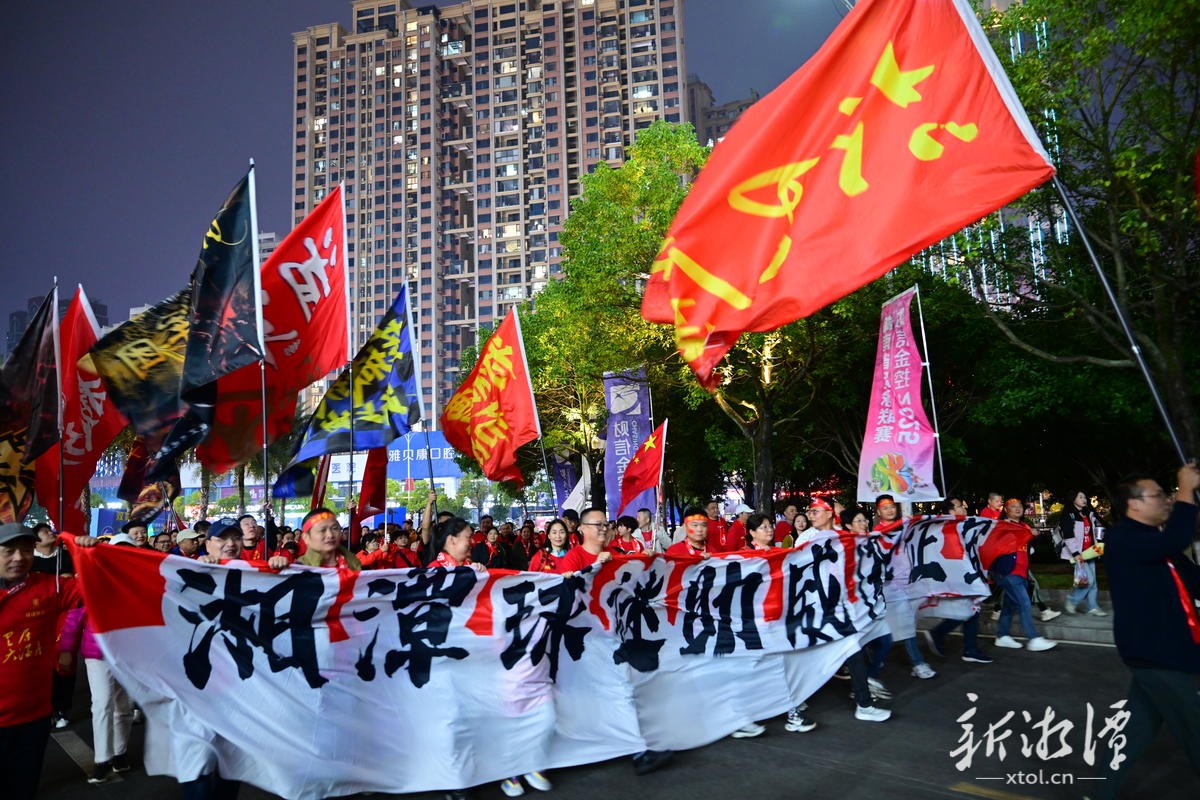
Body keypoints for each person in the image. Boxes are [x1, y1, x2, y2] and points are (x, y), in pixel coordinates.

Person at [1094, 463, 1200, 797]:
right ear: (1134, 504)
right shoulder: (1123, 539)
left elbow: (1195, 581)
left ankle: (1099, 793)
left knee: (1136, 729)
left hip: (1169, 649)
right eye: (1159, 495)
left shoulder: (1158, 543)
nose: (1167, 500)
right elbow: (1178, 536)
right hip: (1158, 652)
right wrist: (1186, 491)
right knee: (1195, 726)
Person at [0, 523, 87, 800]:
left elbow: (98, 587)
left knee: (24, 788)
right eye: (9, 551)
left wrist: (88, 555)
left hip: (34, 717)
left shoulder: (51, 586)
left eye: (26, 550)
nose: (19, 557)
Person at [803, 499, 891, 722]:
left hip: (842, 608)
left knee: (855, 649)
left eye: (816, 511)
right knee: (811, 655)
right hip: (818, 608)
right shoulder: (806, 539)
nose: (811, 515)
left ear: (829, 514)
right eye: (810, 512)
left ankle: (863, 701)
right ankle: (792, 702)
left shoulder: (844, 537)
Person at [60, 535, 139, 783]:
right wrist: (66, 650)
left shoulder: (139, 583)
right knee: (102, 704)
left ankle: (119, 753)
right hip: (97, 653)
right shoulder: (89, 581)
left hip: (128, 655)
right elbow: (74, 618)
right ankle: (102, 759)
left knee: (123, 706)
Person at [987, 499, 1057, 651]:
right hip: (1008, 572)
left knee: (1009, 605)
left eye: (1019, 506)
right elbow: (999, 545)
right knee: (1024, 603)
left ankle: (1002, 636)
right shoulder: (1001, 526)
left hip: (1021, 572)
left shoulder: (1024, 526)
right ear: (1006, 510)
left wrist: (1033, 536)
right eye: (1013, 507)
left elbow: (1027, 546)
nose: (1018, 509)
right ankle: (1033, 639)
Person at [1054, 490, 1107, 616]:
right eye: (1080, 497)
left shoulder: (1088, 513)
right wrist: (1075, 553)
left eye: (1085, 497)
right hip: (1078, 554)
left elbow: (1099, 528)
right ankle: (1072, 600)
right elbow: (1068, 536)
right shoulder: (1069, 515)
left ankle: (1092, 607)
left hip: (1090, 552)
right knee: (1088, 580)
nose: (1084, 499)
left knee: (1093, 582)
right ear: (1073, 499)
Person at [553, 508, 614, 575]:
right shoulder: (571, 558)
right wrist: (596, 566)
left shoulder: (614, 553)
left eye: (606, 524)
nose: (604, 528)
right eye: (598, 524)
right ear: (583, 527)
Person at [296, 509, 363, 569]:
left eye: (334, 528)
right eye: (322, 530)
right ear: (306, 537)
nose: (330, 535)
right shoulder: (299, 569)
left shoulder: (353, 563)